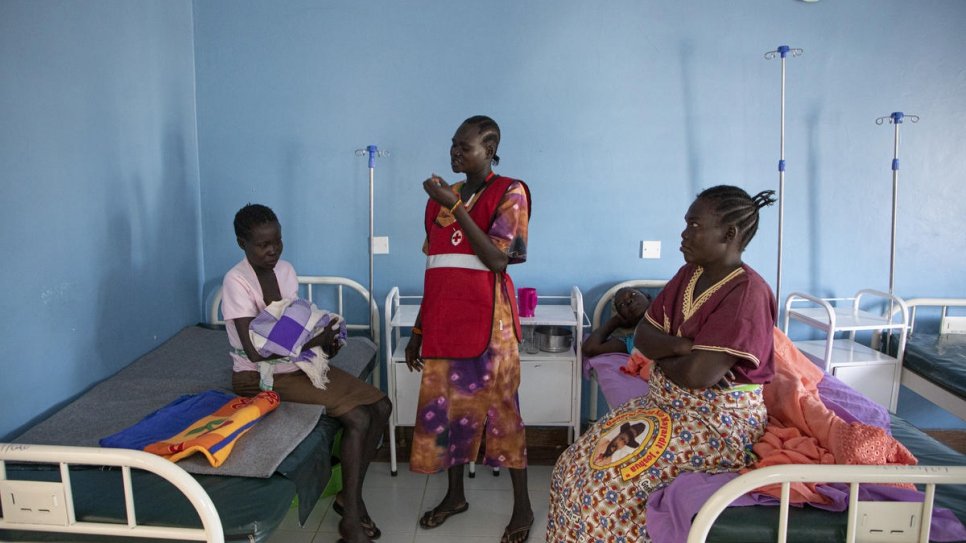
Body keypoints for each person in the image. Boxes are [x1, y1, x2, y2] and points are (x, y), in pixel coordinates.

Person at [546, 185, 778, 542]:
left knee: (603, 494)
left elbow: (698, 376)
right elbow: (643, 338)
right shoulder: (690, 275)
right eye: (686, 224)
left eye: (695, 225)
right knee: (570, 466)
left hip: (714, 422)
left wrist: (668, 356)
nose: (684, 234)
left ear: (729, 234)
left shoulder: (747, 293)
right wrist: (684, 347)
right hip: (665, 403)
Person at [221, 204, 391, 543]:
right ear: (242, 243)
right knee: (357, 418)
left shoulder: (285, 271)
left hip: (298, 365)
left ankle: (348, 498)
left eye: (277, 242)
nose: (272, 251)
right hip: (265, 376)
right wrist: (314, 340)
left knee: (382, 407)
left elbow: (297, 324)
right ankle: (351, 518)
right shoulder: (236, 282)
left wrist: (326, 341)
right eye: (262, 245)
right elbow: (257, 349)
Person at [404, 115, 535, 543]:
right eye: (453, 146)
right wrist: (419, 330)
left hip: (491, 326)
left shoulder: (509, 192)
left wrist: (456, 207)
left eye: (465, 147)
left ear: (490, 148)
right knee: (446, 412)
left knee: (503, 414)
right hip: (444, 320)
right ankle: (455, 496)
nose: (455, 153)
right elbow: (436, 269)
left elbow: (499, 260)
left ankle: (523, 508)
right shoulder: (440, 199)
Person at [581, 287, 652, 358]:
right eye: (621, 305)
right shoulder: (633, 342)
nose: (628, 302)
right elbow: (589, 349)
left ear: (647, 297)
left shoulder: (662, 309)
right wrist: (615, 321)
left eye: (633, 294)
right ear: (624, 318)